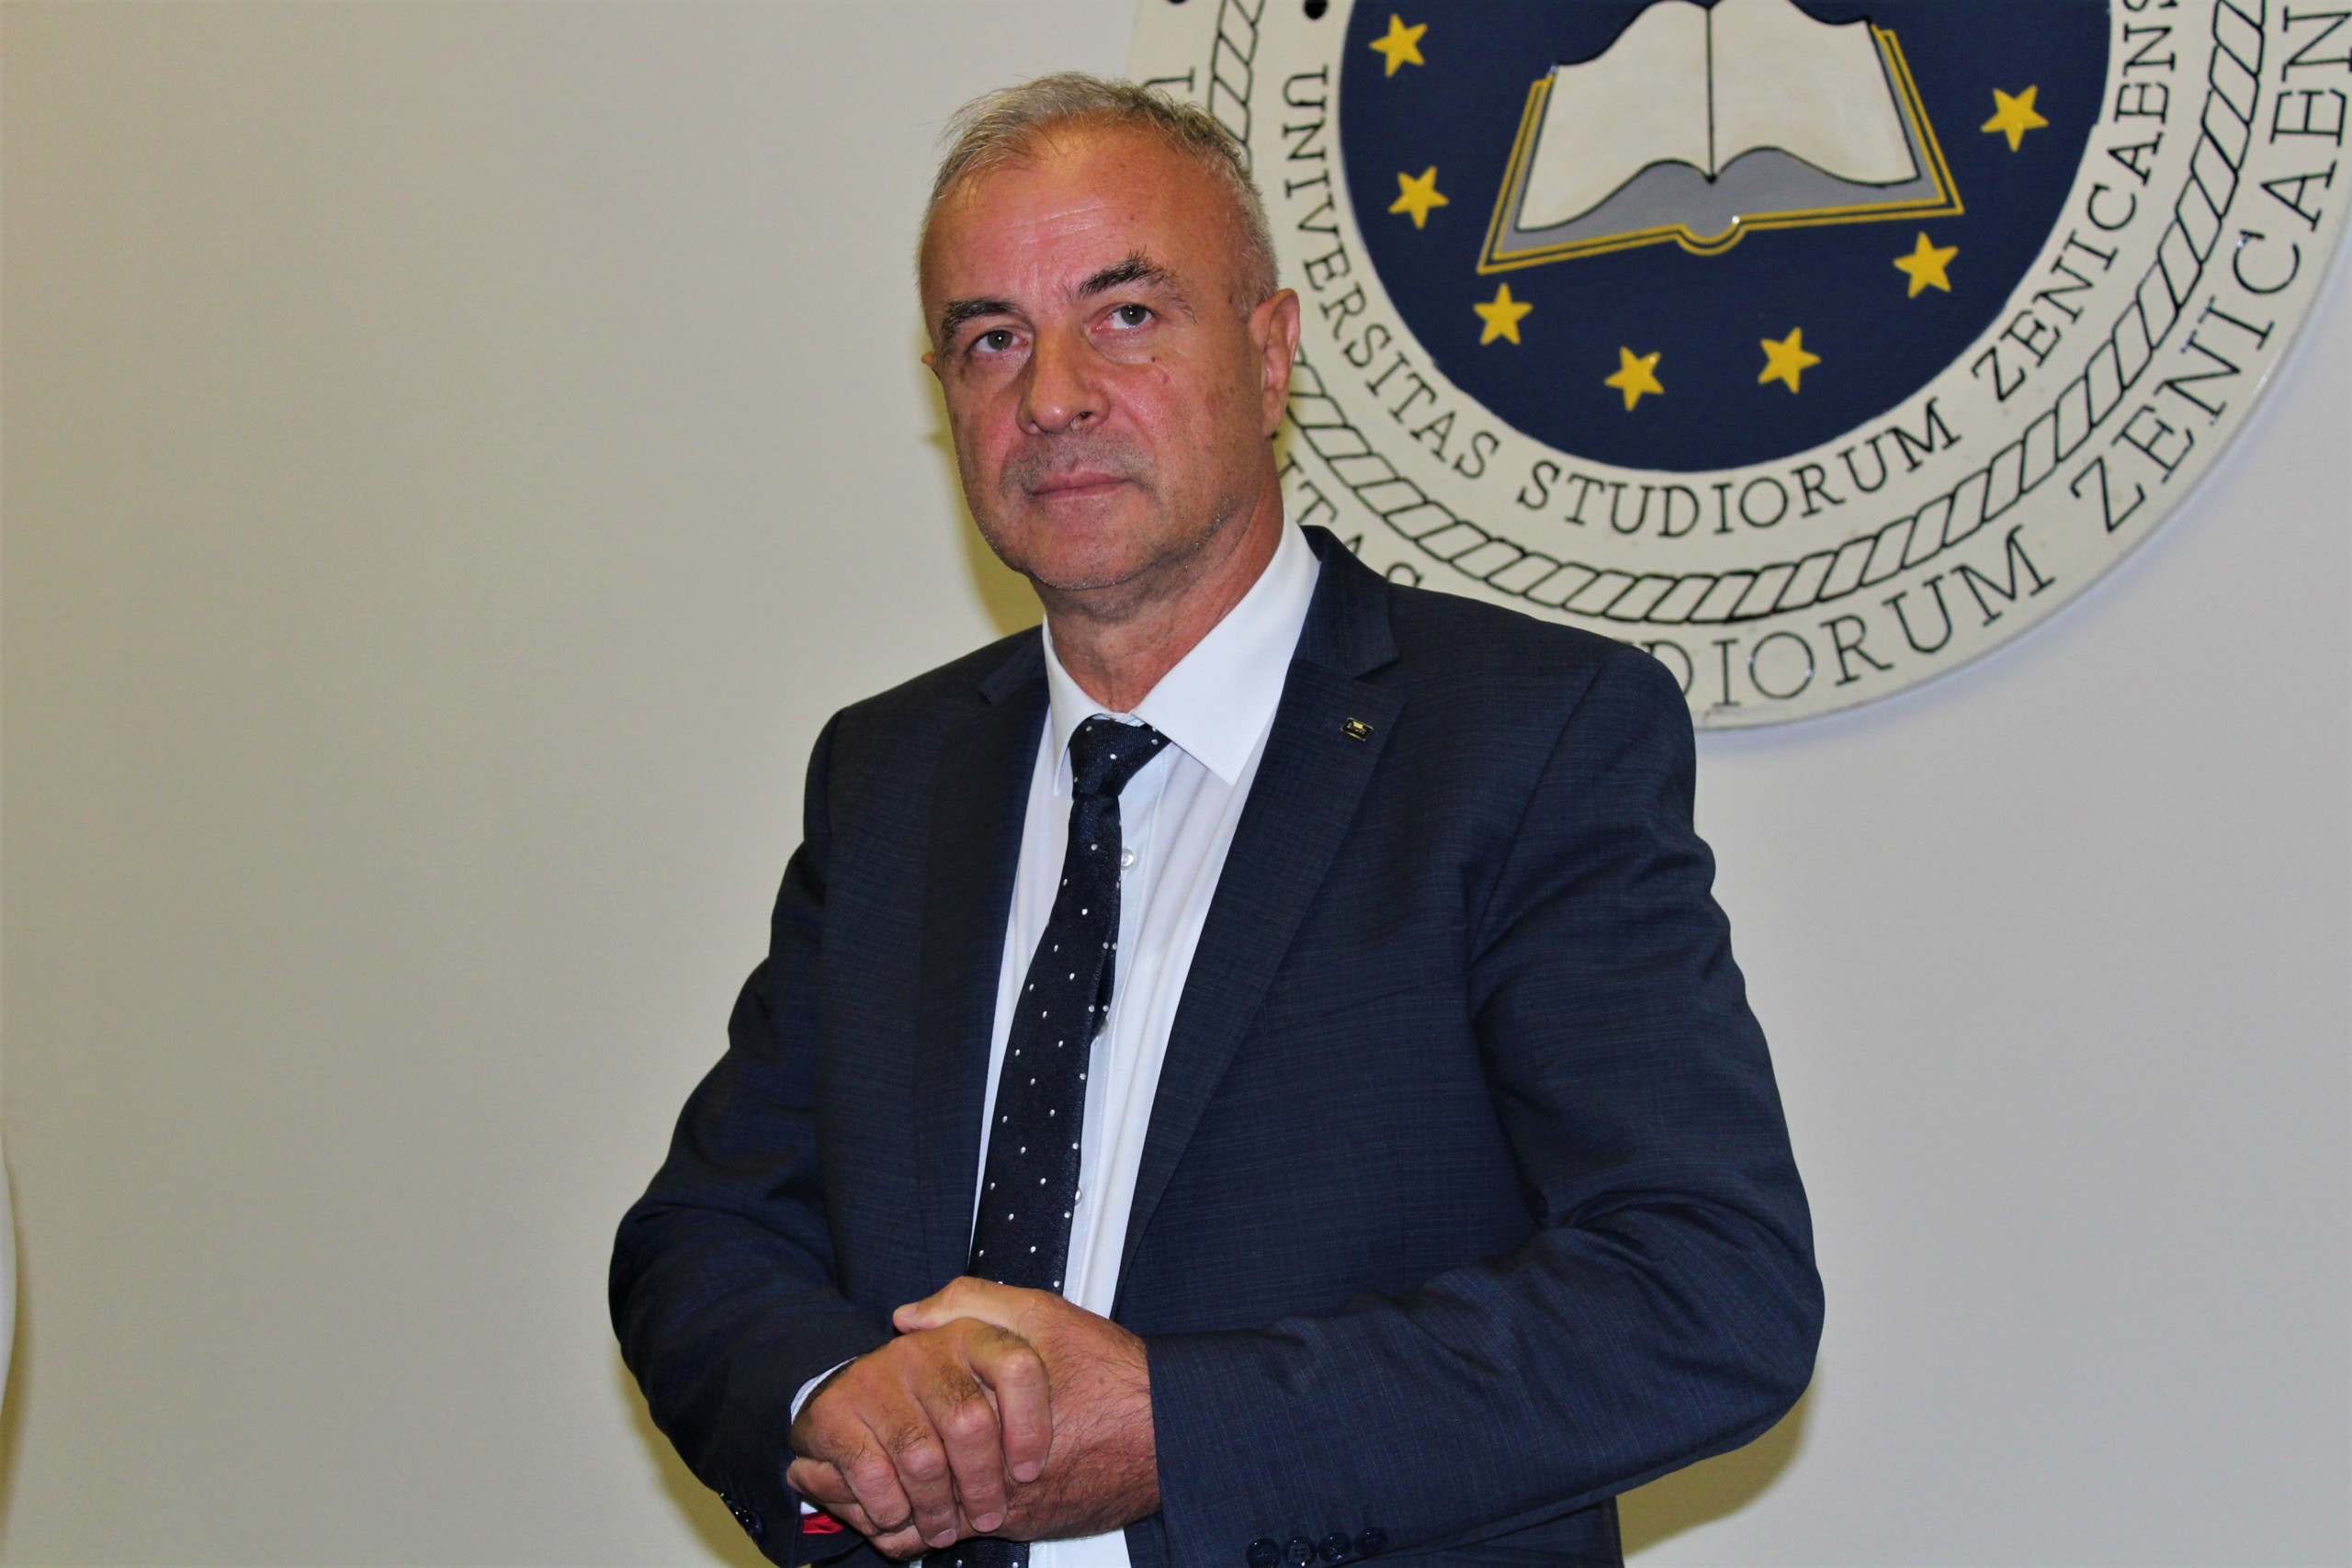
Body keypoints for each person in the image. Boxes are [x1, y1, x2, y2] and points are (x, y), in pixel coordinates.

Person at [611, 73, 1821, 1568]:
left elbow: (1708, 1293)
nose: (1053, 396)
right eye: (992, 339)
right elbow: (705, 1238)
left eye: (1126, 314)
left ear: (1269, 353)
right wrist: (832, 1392)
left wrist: (1176, 1432)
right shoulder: (891, 776)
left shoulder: (1526, 739)